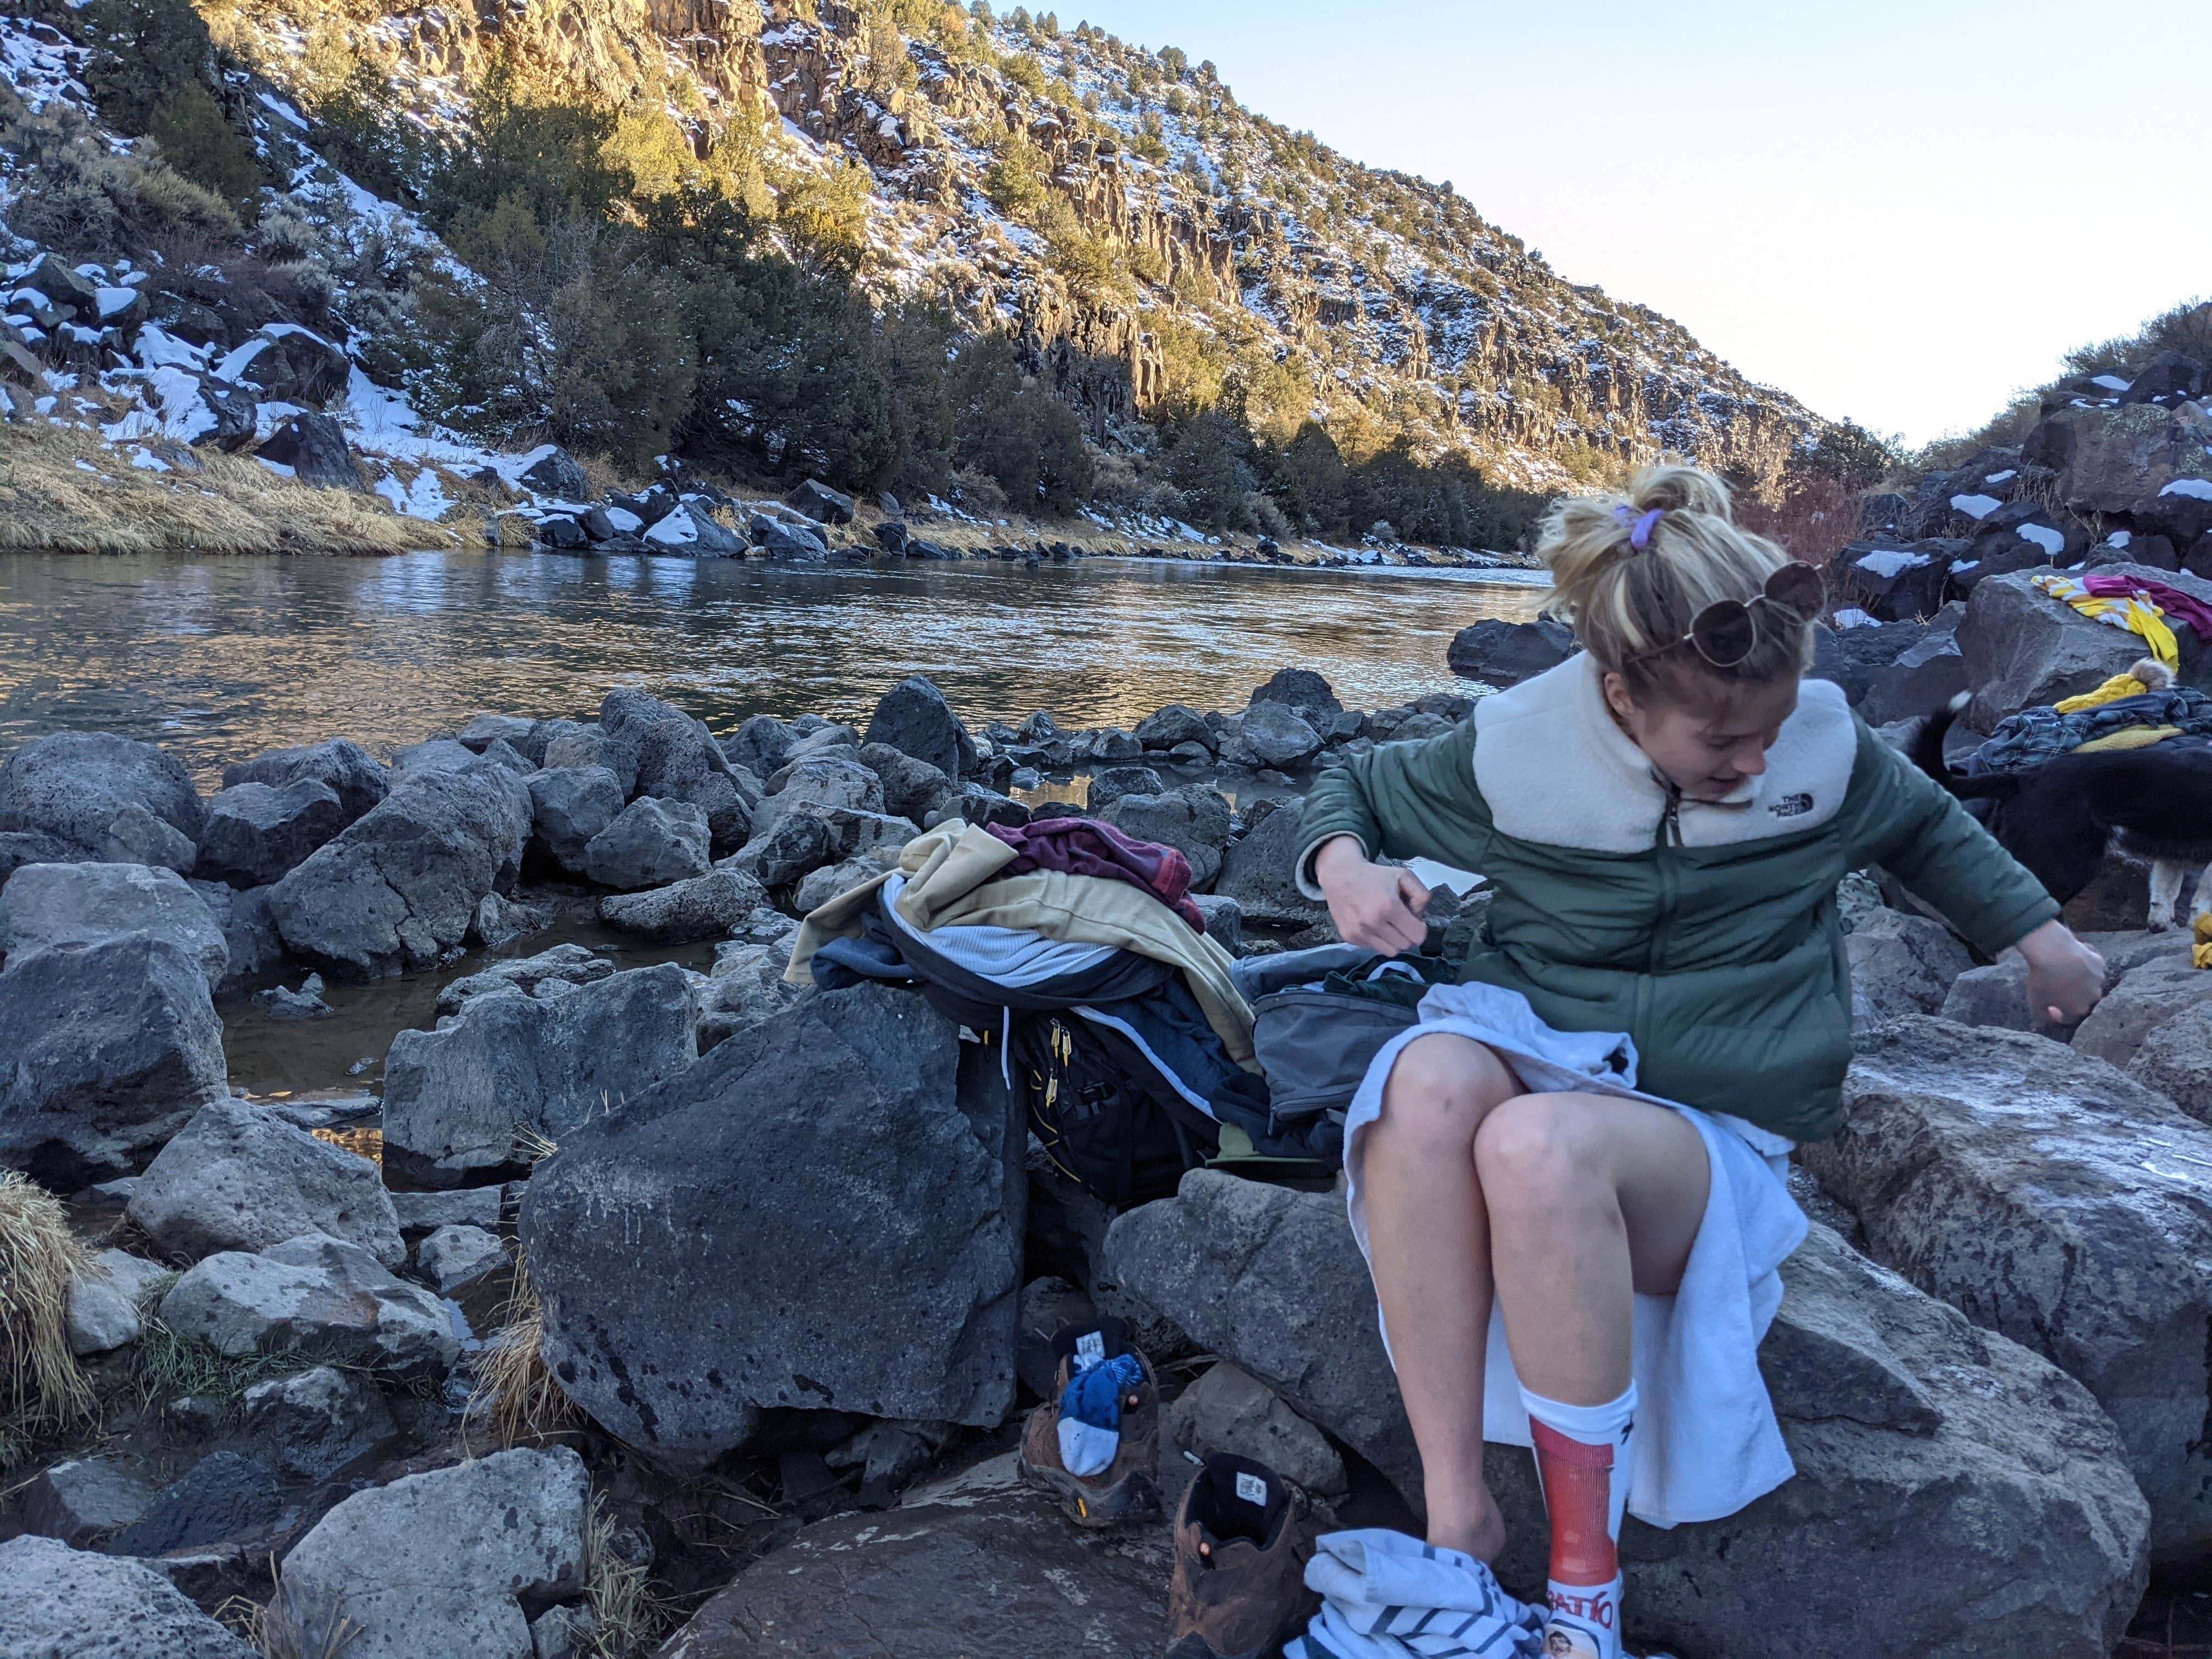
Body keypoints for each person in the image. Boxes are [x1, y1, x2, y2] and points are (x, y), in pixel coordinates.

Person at [1295, 461, 2107, 1658]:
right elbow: (1351, 784)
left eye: (1770, 731)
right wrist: (1344, 868)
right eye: (1722, 741)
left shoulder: (1821, 752)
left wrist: (2041, 938)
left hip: (1707, 1128)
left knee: (1534, 1143)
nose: (1757, 763)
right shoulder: (1516, 755)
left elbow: (1930, 828)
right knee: (1426, 1080)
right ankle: (1458, 1522)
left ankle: (1585, 1596)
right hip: (1552, 1051)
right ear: (1622, 696)